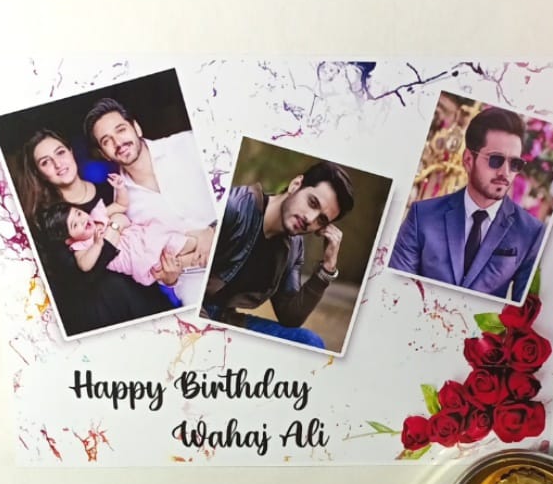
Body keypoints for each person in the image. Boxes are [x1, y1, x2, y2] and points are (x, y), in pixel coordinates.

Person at [15, 128, 173, 335]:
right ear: (39, 173)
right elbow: (84, 277)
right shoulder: (51, 222)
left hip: (149, 297)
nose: (58, 164)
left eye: (60, 152)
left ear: (71, 152)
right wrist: (114, 227)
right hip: (107, 315)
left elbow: (145, 240)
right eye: (45, 162)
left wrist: (169, 276)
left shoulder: (109, 189)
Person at [389, 108, 545, 301]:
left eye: (515, 164)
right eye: (495, 160)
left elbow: (523, 311)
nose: (505, 173)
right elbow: (395, 290)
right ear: (469, 160)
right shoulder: (422, 216)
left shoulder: (530, 232)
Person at [202, 160, 354, 349]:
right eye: (312, 203)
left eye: (321, 220)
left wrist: (327, 268)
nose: (310, 218)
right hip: (195, 309)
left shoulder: (294, 247)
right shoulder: (235, 206)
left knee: (311, 342)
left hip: (225, 318)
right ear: (296, 185)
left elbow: (290, 315)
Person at [83, 98, 218, 309]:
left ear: (136, 127)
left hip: (236, 246)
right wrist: (169, 279)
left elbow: (239, 188)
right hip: (197, 288)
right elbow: (152, 261)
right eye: (107, 141)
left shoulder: (188, 144)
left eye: (121, 130)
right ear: (103, 154)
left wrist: (214, 230)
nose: (118, 143)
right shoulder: (123, 208)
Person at [37, 182, 199, 289]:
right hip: (135, 259)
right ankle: (196, 260)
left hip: (142, 238)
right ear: (70, 239)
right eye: (74, 225)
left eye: (78, 214)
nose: (82, 220)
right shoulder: (81, 246)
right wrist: (97, 244)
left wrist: (120, 188)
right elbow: (85, 265)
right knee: (171, 263)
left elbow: (121, 205)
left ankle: (197, 247)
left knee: (176, 240)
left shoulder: (96, 215)